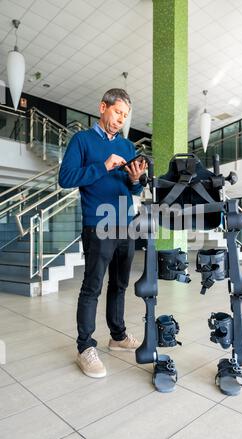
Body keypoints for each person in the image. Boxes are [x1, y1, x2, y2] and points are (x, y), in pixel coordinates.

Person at [59, 89, 147, 378]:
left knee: (120, 284)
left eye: (124, 115)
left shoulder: (127, 146)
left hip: (126, 223)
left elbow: (133, 188)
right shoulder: (82, 140)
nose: (120, 119)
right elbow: (66, 178)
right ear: (103, 107)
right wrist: (103, 165)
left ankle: (118, 335)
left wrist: (135, 180)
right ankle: (85, 347)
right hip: (98, 224)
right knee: (92, 286)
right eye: (117, 112)